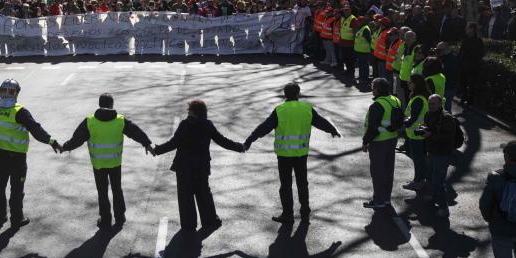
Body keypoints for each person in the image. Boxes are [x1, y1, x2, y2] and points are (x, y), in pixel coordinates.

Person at [243, 82, 341, 223]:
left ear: (285, 95)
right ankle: (305, 212)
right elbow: (320, 121)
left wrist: (250, 139)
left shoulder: (280, 110)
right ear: (298, 94)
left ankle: (287, 215)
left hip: (284, 155)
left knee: (286, 185)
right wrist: (332, 130)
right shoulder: (306, 108)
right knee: (302, 184)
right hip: (301, 154)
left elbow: (264, 127)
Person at [0, 79, 62, 228]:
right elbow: (36, 130)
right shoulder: (19, 111)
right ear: (16, 93)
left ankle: (0, 217)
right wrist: (52, 142)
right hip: (16, 158)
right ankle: (16, 219)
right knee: (16, 190)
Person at [61, 93, 154, 228]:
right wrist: (147, 144)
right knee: (117, 189)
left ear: (99, 104)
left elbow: (77, 139)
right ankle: (120, 216)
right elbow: (136, 132)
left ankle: (105, 220)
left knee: (102, 191)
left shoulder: (89, 121)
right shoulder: (120, 120)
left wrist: (65, 147)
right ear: (112, 105)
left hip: (98, 164)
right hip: (115, 163)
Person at [154, 99, 244, 231]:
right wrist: (239, 147)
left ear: (193, 112)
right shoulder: (207, 125)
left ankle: (188, 224)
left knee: (185, 196)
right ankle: (210, 221)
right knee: (204, 193)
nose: (187, 111)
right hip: (201, 166)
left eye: (189, 109)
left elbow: (173, 143)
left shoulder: (184, 125)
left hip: (183, 166)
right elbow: (222, 141)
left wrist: (156, 150)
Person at [362, 77, 402, 209]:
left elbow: (373, 127)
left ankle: (378, 199)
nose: (371, 90)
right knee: (388, 170)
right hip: (392, 139)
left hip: (379, 142)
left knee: (377, 171)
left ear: (378, 90)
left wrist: (365, 141)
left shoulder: (377, 105)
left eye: (373, 87)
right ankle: (386, 198)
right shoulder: (395, 100)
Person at [421, 94, 457, 217]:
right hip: (431, 151)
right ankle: (432, 197)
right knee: (430, 177)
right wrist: (423, 130)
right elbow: (428, 128)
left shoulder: (446, 118)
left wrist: (430, 135)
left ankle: (444, 207)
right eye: (429, 103)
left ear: (440, 104)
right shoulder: (428, 114)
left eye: (433, 104)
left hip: (442, 154)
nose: (430, 106)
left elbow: (448, 138)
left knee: (438, 181)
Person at [402, 75, 430, 192]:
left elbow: (413, 118)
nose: (408, 84)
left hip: (416, 134)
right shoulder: (422, 97)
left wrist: (401, 123)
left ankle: (418, 182)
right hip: (419, 133)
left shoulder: (418, 99)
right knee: (421, 159)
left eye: (410, 83)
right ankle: (420, 180)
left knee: (418, 160)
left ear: (416, 84)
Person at [458, 22, 484, 105]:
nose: (466, 29)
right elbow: (461, 51)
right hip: (464, 65)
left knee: (472, 84)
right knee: (463, 83)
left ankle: (470, 101)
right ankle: (463, 97)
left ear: (472, 29)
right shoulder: (465, 39)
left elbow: (481, 53)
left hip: (473, 66)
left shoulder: (478, 40)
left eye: (467, 28)